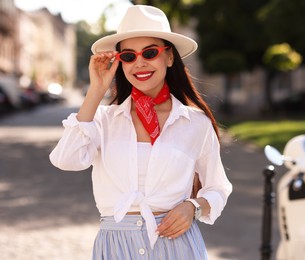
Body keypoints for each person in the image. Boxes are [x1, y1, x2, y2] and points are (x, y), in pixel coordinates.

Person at [49, 4, 232, 260]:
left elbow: (218, 188)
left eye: (150, 52)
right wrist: (96, 91)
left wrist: (193, 208)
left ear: (169, 57)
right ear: (119, 62)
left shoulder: (195, 123)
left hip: (176, 245)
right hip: (116, 246)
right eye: (128, 56)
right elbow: (66, 160)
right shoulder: (102, 120)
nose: (140, 63)